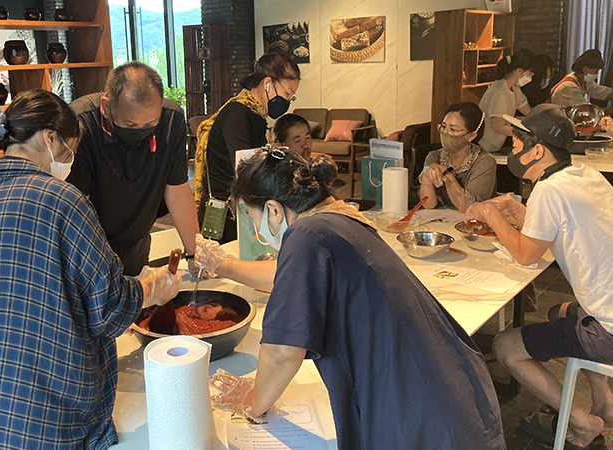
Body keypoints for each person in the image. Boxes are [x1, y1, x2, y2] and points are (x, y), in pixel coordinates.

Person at [0, 91, 181, 448]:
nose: (69, 161)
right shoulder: (61, 200)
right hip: (42, 423)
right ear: (50, 138)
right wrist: (150, 288)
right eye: (70, 151)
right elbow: (109, 307)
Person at [206, 149, 507, 449]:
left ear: (274, 210)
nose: (256, 230)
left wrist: (252, 400)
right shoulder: (338, 220)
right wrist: (222, 264)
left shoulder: (306, 234)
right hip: (453, 394)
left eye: (253, 217)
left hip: (419, 420)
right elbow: (289, 277)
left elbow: (283, 352)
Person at [465, 103, 613, 449]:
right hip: (608, 310)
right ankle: (605, 401)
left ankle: (581, 422)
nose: (513, 149)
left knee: (505, 346)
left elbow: (527, 254)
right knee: (558, 312)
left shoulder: (549, 190)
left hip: (608, 330)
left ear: (537, 151)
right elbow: (559, 226)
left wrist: (492, 213)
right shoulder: (585, 175)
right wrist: (517, 210)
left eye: (517, 143)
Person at [67, 62, 199, 276]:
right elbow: (77, 207)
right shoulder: (80, 124)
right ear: (106, 106)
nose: (140, 131)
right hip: (88, 247)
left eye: (149, 125)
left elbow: (177, 190)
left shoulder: (170, 119)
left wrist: (195, 254)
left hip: (136, 243)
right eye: (130, 125)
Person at [193, 53, 301, 244]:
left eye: (291, 97)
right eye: (287, 93)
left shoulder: (254, 114)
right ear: (267, 83)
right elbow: (247, 167)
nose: (287, 101)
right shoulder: (238, 115)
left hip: (239, 208)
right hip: (225, 217)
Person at [419, 102, 495, 212]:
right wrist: (426, 180)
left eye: (453, 129)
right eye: (443, 127)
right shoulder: (434, 157)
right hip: (443, 219)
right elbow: (428, 204)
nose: (446, 133)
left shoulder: (484, 161)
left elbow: (467, 207)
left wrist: (448, 175)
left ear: (471, 136)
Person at [479, 49, 537, 153]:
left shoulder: (515, 88)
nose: (530, 77)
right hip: (485, 146)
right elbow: (499, 127)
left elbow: (528, 112)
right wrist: (526, 133)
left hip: (496, 146)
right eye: (530, 73)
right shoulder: (499, 91)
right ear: (519, 71)